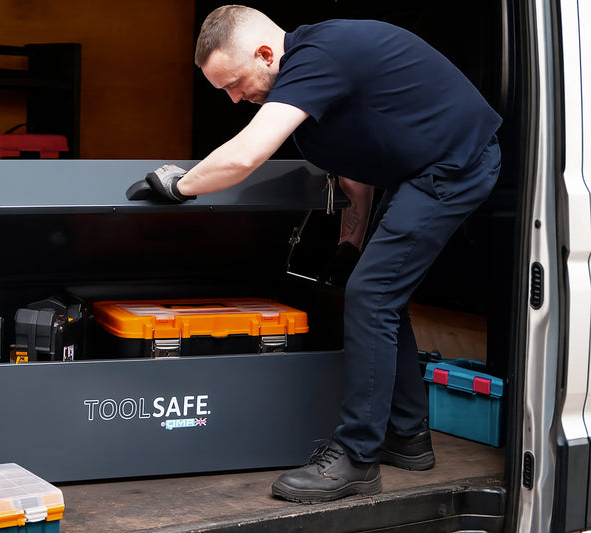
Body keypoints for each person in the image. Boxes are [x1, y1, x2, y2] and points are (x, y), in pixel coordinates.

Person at [140, 5, 502, 503]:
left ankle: (356, 457)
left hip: (455, 163)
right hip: (416, 171)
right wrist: (351, 243)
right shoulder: (306, 90)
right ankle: (407, 434)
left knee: (373, 294)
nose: (233, 98)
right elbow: (357, 175)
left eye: (235, 83)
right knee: (379, 290)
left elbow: (246, 155)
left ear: (266, 54)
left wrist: (181, 186)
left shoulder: (318, 56)